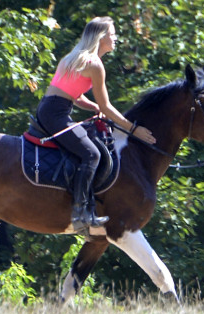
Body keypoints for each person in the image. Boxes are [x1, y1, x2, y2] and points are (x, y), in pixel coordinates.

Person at [36, 16, 156, 233]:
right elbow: (108, 107)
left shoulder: (73, 58)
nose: (115, 38)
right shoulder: (95, 65)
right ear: (101, 37)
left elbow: (74, 95)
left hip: (50, 109)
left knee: (89, 148)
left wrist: (93, 107)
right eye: (112, 33)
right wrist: (134, 130)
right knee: (92, 154)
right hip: (56, 114)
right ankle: (81, 212)